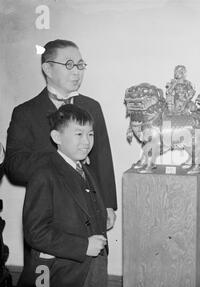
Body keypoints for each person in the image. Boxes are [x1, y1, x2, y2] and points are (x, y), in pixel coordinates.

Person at [4, 39, 117, 229]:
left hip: (90, 210)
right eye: (69, 65)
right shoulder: (25, 112)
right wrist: (59, 159)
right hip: (48, 214)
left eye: (80, 65)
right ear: (48, 69)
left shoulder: (92, 107)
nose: (77, 72)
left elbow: (102, 158)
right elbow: (14, 167)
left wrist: (108, 205)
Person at [18, 104, 108, 287]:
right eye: (79, 134)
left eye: (90, 134)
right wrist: (83, 246)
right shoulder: (44, 174)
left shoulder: (82, 167)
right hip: (63, 276)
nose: (87, 141)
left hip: (95, 270)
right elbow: (36, 233)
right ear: (57, 137)